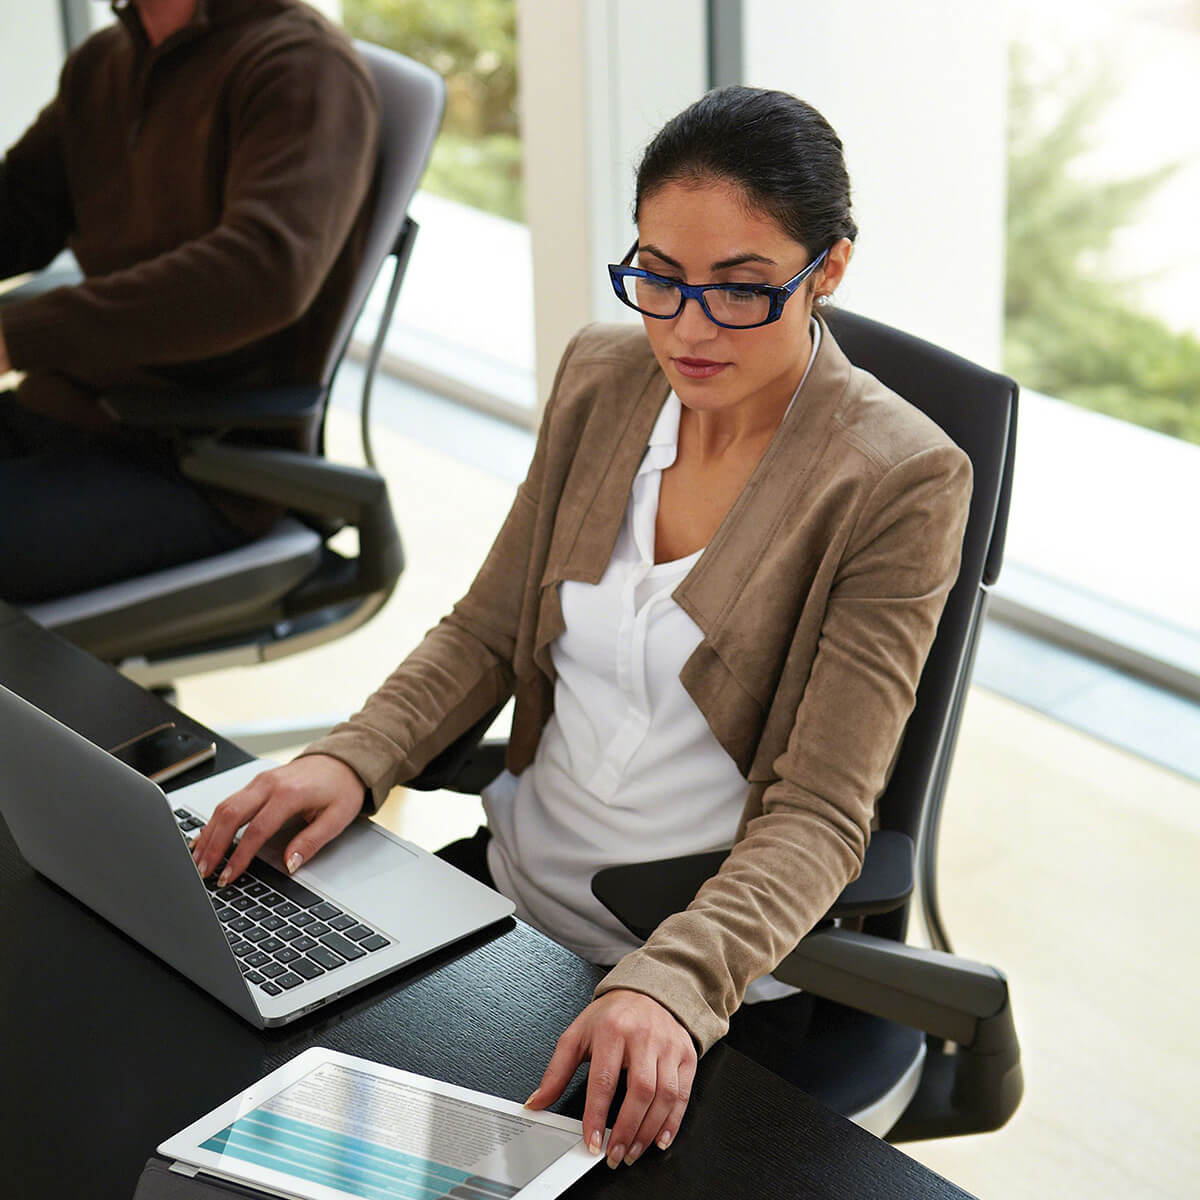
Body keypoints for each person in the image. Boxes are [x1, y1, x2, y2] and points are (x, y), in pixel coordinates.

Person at [191, 86, 972, 1168]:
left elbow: (823, 817)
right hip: (504, 910)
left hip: (691, 969)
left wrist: (674, 983)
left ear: (827, 268)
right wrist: (352, 758)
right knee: (238, 1094)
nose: (688, 329)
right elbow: (486, 631)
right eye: (658, 275)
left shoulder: (898, 477)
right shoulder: (604, 377)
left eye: (742, 289)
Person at [0, 0, 379, 603]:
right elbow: (18, 212)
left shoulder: (303, 68)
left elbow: (261, 275)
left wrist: (17, 336)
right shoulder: (106, 61)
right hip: (68, 411)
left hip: (195, 460)